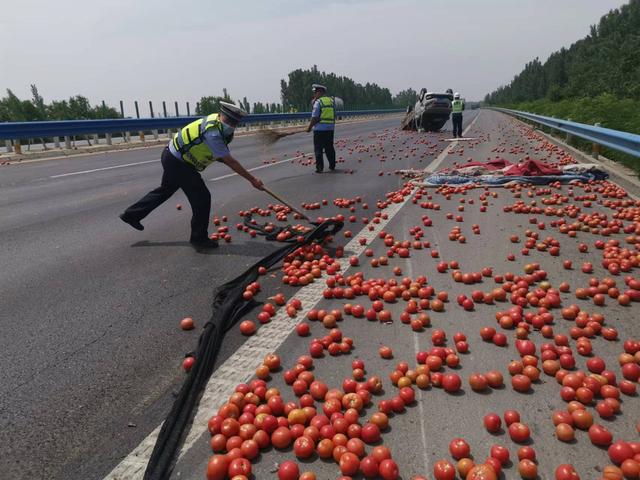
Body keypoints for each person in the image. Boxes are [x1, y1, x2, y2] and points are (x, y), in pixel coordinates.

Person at [119, 101, 264, 249]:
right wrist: (252, 180)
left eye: (234, 123)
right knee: (202, 198)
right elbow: (230, 161)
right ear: (222, 115)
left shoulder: (217, 122)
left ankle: (131, 215)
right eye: (229, 121)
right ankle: (198, 239)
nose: (231, 125)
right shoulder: (213, 132)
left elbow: (218, 155)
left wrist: (225, 159)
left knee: (165, 190)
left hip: (173, 156)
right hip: (178, 162)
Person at [306, 84, 336, 173]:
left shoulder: (318, 102)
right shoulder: (331, 101)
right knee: (329, 148)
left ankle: (319, 168)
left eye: (315, 92)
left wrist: (309, 127)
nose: (314, 94)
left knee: (318, 148)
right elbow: (335, 115)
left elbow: (314, 117)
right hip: (330, 129)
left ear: (320, 92)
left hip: (319, 129)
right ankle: (332, 165)